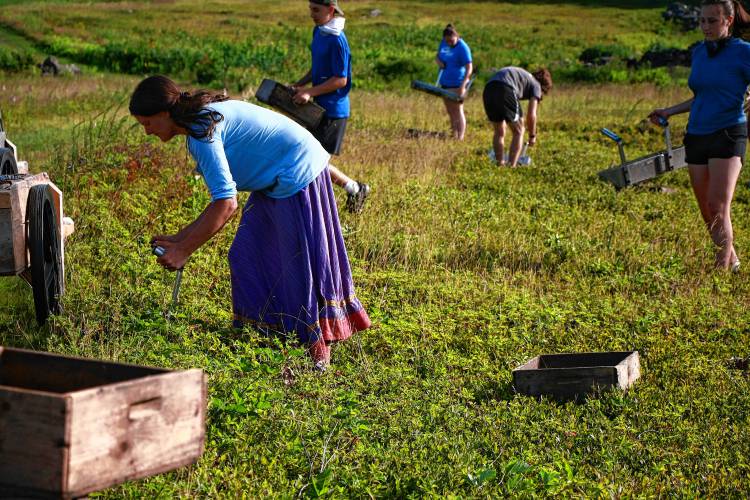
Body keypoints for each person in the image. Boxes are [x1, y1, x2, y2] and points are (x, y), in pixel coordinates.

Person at [129, 75, 371, 369]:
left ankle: (317, 352)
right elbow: (220, 202)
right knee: (247, 254)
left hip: (295, 173)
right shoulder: (202, 117)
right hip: (277, 177)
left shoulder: (201, 133)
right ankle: (265, 335)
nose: (147, 132)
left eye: (148, 123)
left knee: (295, 265)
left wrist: (183, 251)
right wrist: (179, 239)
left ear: (165, 114)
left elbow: (226, 204)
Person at [650, 0, 750, 271]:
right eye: (702, 21)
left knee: (718, 204)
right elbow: (702, 95)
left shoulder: (744, 52)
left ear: (728, 21)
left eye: (712, 21)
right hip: (696, 134)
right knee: (707, 210)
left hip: (728, 133)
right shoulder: (699, 53)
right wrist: (669, 111)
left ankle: (719, 273)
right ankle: (733, 261)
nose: (705, 26)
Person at [291, 0, 370, 214]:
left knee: (314, 161)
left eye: (316, 10)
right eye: (310, 9)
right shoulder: (319, 31)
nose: (312, 14)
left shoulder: (337, 40)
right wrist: (300, 83)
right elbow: (317, 66)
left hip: (334, 109)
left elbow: (340, 80)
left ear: (331, 10)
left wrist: (309, 92)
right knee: (310, 158)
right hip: (319, 107)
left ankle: (353, 188)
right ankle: (353, 188)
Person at [482, 66, 552, 167]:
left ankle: (500, 164)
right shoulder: (536, 85)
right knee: (519, 131)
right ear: (543, 87)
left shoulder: (524, 76)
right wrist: (532, 136)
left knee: (499, 131)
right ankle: (512, 166)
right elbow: (531, 114)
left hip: (489, 89)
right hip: (505, 88)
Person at [435, 24, 473, 140]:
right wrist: (439, 62)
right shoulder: (443, 42)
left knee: (457, 110)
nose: (449, 43)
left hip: (457, 83)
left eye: (452, 41)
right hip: (444, 83)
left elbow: (469, 67)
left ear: (456, 36)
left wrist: (463, 85)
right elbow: (437, 56)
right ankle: (454, 135)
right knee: (450, 110)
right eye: (447, 41)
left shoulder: (463, 47)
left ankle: (460, 137)